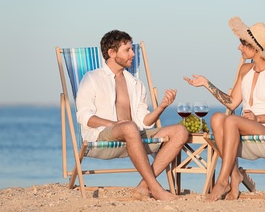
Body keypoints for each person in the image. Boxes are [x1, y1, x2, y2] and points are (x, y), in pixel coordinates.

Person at [184, 17, 265, 201]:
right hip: (242, 128)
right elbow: (232, 103)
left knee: (232, 120)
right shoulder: (245, 70)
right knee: (217, 118)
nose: (239, 47)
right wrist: (206, 83)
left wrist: (257, 119)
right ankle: (234, 176)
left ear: (255, 48)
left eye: (243, 43)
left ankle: (222, 181)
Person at [76, 30, 189, 201]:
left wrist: (162, 107)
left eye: (132, 49)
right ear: (111, 53)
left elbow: (144, 122)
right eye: (127, 50)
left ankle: (144, 187)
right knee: (129, 127)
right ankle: (157, 189)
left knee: (180, 131)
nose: (133, 54)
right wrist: (113, 124)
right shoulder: (92, 78)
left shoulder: (135, 83)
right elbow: (84, 116)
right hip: (102, 136)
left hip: (134, 135)